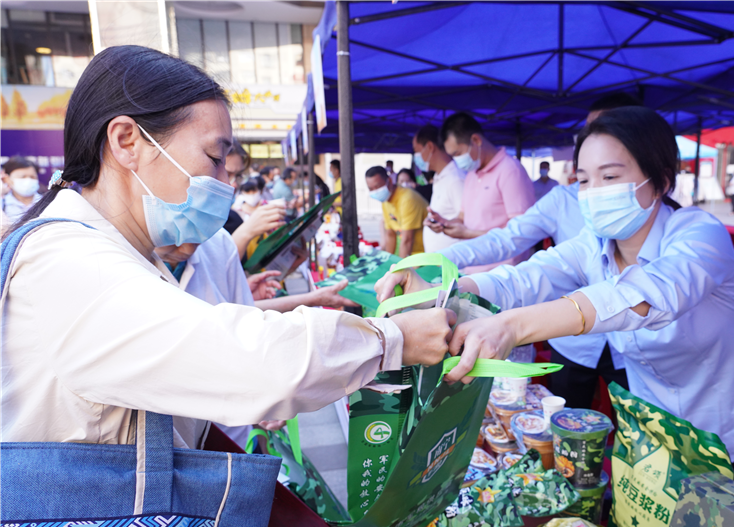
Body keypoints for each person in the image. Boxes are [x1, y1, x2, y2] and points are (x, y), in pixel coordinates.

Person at [1, 46, 453, 453]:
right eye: (214, 158)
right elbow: (252, 357)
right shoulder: (72, 264)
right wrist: (391, 340)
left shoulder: (122, 253)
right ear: (126, 142)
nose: (224, 185)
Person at [379, 107, 734, 522]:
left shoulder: (699, 234)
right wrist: (440, 283)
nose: (593, 192)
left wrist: (512, 326)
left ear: (660, 180)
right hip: (671, 443)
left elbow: (649, 295)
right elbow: (524, 277)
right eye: (584, 179)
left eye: (610, 177)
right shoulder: (595, 244)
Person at [437, 93, 642, 408]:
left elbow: (647, 293)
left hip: (633, 346)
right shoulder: (566, 203)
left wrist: (513, 326)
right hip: (574, 344)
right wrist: (443, 267)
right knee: (564, 426)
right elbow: (517, 250)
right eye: (590, 134)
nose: (596, 141)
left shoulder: (681, 229)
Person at [155, 231, 358, 446]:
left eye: (198, 236)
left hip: (230, 435)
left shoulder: (219, 242)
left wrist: (261, 390)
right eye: (173, 242)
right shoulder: (123, 264)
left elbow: (243, 325)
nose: (187, 248)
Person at [431, 112, 536, 273]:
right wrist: (445, 223)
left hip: (503, 275)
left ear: (476, 140)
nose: (456, 161)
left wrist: (468, 234)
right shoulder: (472, 174)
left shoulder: (510, 171)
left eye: (458, 154)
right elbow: (463, 217)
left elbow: (521, 233)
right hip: (473, 271)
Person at [415, 124, 465, 253]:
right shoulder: (439, 177)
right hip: (441, 263)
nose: (416, 157)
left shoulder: (456, 179)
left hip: (455, 264)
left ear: (430, 147)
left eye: (417, 151)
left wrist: (443, 224)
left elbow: (467, 221)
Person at [366, 165, 428, 258]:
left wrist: (401, 269)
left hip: (424, 255)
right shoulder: (386, 201)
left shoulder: (407, 198)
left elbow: (407, 240)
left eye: (377, 186)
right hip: (411, 254)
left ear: (389, 181)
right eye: (371, 189)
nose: (375, 191)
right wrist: (388, 261)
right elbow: (390, 234)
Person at [2, 156, 42, 223]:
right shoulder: (3, 204)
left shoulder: (48, 202)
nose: (28, 180)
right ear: (7, 179)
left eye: (32, 177)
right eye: (22, 177)